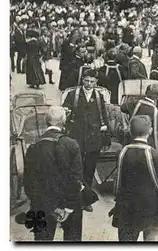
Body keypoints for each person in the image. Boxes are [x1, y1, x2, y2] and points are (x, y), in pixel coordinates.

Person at [23, 106, 83, 241]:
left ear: (46, 121)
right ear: (64, 121)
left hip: (41, 205)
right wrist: (67, 208)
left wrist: (50, 206)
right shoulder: (72, 144)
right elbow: (76, 180)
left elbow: (28, 184)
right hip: (70, 204)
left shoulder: (34, 147)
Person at [112, 115, 158, 241]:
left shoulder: (121, 153)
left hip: (126, 204)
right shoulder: (157, 154)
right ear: (150, 131)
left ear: (130, 131)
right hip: (152, 205)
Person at [62, 69, 110, 212]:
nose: (89, 84)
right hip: (76, 138)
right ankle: (73, 197)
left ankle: (85, 199)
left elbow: (104, 117)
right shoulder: (72, 95)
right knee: (76, 168)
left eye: (92, 82)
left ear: (96, 82)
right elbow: (65, 114)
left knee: (89, 169)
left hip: (93, 139)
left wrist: (106, 138)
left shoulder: (99, 96)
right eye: (86, 81)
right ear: (82, 80)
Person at [121, 84, 158, 150]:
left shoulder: (135, 104)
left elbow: (123, 108)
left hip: (131, 142)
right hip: (149, 145)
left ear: (146, 92)